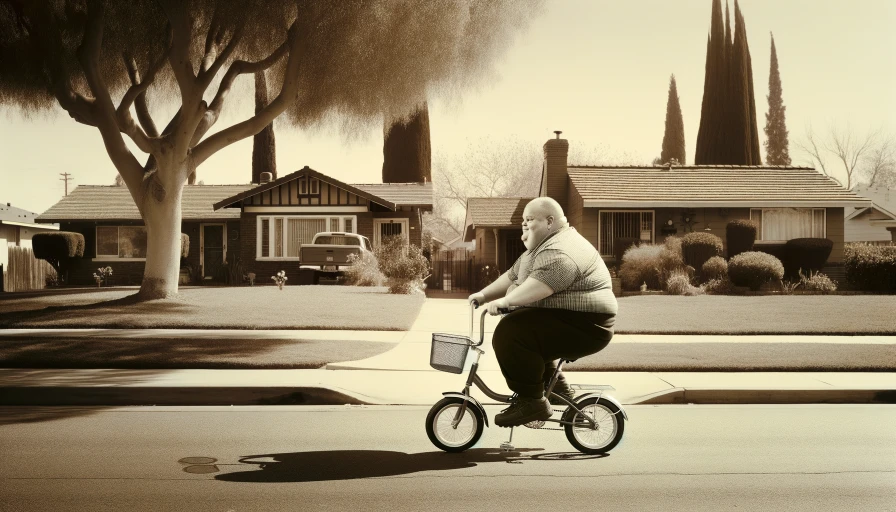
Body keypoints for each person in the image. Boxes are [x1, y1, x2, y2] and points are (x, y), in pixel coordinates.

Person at [468, 197, 618, 427]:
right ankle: (557, 387)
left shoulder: (561, 250)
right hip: (570, 318)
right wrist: (484, 295)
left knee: (512, 333)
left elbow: (540, 286)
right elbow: (512, 275)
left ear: (550, 222)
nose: (525, 226)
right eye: (523, 221)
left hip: (588, 324)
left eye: (530, 220)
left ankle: (532, 401)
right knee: (526, 328)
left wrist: (506, 302)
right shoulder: (541, 247)